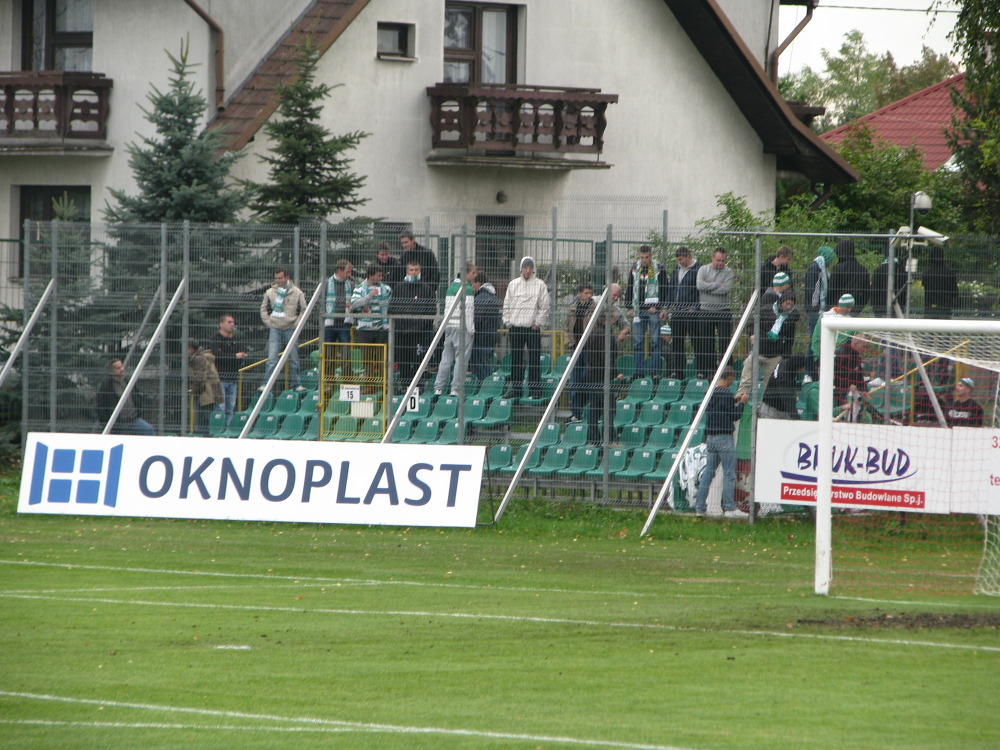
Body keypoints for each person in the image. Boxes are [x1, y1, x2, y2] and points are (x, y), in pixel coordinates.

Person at [565, 283, 628, 427]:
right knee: (575, 380)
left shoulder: (597, 307)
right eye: (586, 293)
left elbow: (618, 321)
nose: (589, 296)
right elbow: (566, 328)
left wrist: (623, 330)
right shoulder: (572, 307)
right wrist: (570, 343)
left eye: (590, 293)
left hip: (590, 348)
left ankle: (591, 412)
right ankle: (576, 413)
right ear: (579, 293)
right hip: (575, 348)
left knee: (588, 379)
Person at [693, 365, 749, 518]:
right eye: (732, 378)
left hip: (711, 438)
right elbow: (734, 415)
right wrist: (742, 403)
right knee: (729, 473)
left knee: (708, 473)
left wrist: (734, 400)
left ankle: (700, 507)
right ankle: (730, 508)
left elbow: (722, 407)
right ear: (729, 377)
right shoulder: (726, 393)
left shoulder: (710, 393)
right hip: (724, 438)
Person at [502, 256, 549, 399]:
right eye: (525, 267)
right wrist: (508, 321)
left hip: (532, 328)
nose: (527, 270)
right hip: (515, 327)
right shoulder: (513, 284)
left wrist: (538, 323)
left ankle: (535, 390)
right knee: (516, 359)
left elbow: (544, 306)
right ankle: (516, 389)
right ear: (521, 268)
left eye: (530, 268)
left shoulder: (540, 285)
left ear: (533, 269)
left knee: (534, 359)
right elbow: (507, 304)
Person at [737, 289, 798, 399]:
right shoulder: (765, 310)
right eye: (787, 303)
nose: (789, 307)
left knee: (770, 385)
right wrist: (752, 335)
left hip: (775, 356)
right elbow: (751, 325)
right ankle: (740, 401)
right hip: (758, 351)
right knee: (746, 377)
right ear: (781, 301)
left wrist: (783, 357)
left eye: (791, 305)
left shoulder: (790, 319)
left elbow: (790, 340)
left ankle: (764, 409)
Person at [623, 244, 668, 379]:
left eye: (646, 257)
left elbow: (665, 289)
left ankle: (654, 372)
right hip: (638, 310)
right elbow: (630, 287)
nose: (644, 260)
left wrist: (658, 306)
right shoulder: (634, 268)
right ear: (639, 256)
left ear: (651, 256)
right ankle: (639, 372)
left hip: (653, 311)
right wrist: (629, 307)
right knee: (637, 342)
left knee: (655, 341)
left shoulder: (659, 269)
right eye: (641, 257)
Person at [259, 268, 307, 392]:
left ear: (287, 278)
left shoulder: (297, 292)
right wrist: (269, 322)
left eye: (280, 278)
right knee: (272, 358)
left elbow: (304, 309)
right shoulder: (270, 292)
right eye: (276, 278)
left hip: (290, 328)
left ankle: (296, 384)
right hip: (275, 327)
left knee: (294, 358)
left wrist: (296, 324)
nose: (278, 280)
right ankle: (266, 384)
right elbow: (263, 309)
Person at [389, 261, 436, 385]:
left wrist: (422, 326)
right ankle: (404, 385)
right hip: (402, 333)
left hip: (419, 333)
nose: (413, 272)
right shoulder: (399, 288)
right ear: (407, 271)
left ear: (420, 271)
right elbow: (392, 308)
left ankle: (418, 385)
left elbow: (431, 310)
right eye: (411, 270)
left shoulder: (426, 289)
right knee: (403, 360)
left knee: (418, 360)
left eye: (416, 270)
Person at [434, 262, 476, 397]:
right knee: (461, 359)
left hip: (449, 325)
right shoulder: (468, 289)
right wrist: (471, 330)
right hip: (462, 327)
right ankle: (455, 388)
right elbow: (468, 312)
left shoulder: (450, 287)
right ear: (466, 274)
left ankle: (438, 387)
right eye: (473, 273)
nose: (475, 275)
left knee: (446, 358)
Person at [350, 263, 393, 389]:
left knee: (382, 358)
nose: (381, 278)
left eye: (382, 275)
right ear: (370, 275)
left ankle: (384, 384)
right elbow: (354, 304)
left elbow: (390, 303)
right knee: (367, 359)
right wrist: (369, 296)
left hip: (381, 329)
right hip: (365, 329)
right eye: (378, 275)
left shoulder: (386, 289)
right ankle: (370, 385)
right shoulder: (359, 288)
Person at [695, 247, 735, 378]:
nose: (720, 263)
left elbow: (726, 288)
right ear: (712, 258)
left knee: (725, 342)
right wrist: (717, 284)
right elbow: (699, 286)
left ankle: (726, 371)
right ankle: (709, 371)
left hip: (723, 310)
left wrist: (709, 286)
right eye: (718, 260)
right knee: (707, 342)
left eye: (723, 261)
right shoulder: (703, 269)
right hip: (706, 311)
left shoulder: (729, 272)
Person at [665, 246, 700, 378]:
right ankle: (678, 372)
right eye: (678, 260)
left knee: (696, 342)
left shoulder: (698, 269)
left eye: (682, 259)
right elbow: (671, 289)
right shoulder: (676, 269)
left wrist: (695, 307)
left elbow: (700, 291)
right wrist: (666, 307)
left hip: (691, 312)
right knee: (677, 343)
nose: (680, 262)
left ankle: (700, 372)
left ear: (688, 256)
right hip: (677, 311)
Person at [96, 358, 156, 435]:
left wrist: (138, 411)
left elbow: (137, 397)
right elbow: (101, 406)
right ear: (111, 372)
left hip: (134, 420)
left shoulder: (128, 382)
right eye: (118, 368)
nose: (121, 369)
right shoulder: (107, 386)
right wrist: (107, 423)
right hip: (118, 424)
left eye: (121, 366)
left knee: (148, 430)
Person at [804, 244, 837, 380]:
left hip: (820, 311)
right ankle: (808, 372)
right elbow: (813, 291)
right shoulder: (815, 269)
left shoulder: (822, 270)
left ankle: (814, 372)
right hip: (816, 312)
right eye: (830, 259)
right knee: (814, 341)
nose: (830, 263)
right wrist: (816, 309)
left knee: (818, 341)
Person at [209, 314, 247, 425]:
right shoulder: (215, 339)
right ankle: (218, 430)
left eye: (233, 322)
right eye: (229, 322)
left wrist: (235, 357)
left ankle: (227, 433)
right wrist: (234, 356)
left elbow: (240, 357)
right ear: (221, 324)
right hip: (219, 379)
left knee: (230, 409)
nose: (232, 324)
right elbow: (218, 357)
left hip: (233, 379)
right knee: (220, 407)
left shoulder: (235, 339)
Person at [811, 293, 856, 371]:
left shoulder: (851, 321)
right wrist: (817, 357)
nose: (849, 310)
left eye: (851, 307)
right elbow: (816, 337)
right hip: (824, 356)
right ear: (840, 305)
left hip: (841, 360)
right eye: (847, 307)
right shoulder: (824, 316)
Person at [188, 339, 223, 435]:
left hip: (205, 393)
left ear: (191, 349)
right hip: (207, 392)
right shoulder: (201, 357)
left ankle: (203, 437)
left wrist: (193, 390)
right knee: (203, 419)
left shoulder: (199, 359)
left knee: (202, 419)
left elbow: (200, 378)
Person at [471, 270, 501, 382]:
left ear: (478, 283)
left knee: (479, 365)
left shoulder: (479, 299)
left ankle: (481, 388)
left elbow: (476, 319)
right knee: (487, 363)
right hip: (491, 336)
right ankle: (487, 387)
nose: (472, 286)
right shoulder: (493, 297)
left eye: (473, 283)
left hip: (480, 337)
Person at [827, 239, 870, 314]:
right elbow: (866, 293)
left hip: (838, 308)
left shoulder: (838, 268)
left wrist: (831, 307)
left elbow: (831, 290)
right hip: (854, 308)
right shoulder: (863, 270)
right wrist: (858, 308)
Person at [759, 354, 806, 420]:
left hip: (776, 406)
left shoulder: (784, 363)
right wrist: (796, 418)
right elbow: (787, 398)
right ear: (797, 366)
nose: (803, 370)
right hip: (772, 410)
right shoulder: (784, 378)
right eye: (802, 368)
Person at [870, 243, 907, 318]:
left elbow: (874, 291)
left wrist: (875, 308)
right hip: (897, 308)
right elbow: (905, 291)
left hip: (881, 308)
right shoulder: (901, 270)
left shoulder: (878, 269)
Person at [922, 246, 959, 319]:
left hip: (930, 307)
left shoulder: (926, 272)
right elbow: (955, 292)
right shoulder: (949, 273)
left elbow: (924, 285)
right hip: (945, 308)